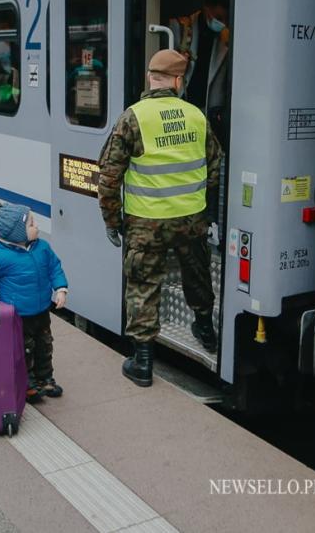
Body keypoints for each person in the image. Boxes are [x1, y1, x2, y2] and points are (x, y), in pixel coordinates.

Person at [97, 49, 223, 388]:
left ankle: (142, 362)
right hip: (190, 220)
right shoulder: (196, 116)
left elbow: (109, 176)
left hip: (145, 224)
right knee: (197, 274)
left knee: (143, 284)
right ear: (179, 81)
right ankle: (205, 330)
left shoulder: (133, 117)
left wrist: (112, 220)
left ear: (150, 79)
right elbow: (215, 166)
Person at [0, 201, 68, 403]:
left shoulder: (42, 247)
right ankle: (28, 383)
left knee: (45, 345)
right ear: (16, 233)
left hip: (42, 310)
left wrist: (61, 288)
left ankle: (45, 378)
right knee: (24, 349)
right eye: (31, 224)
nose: (37, 227)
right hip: (17, 315)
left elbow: (55, 268)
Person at [169, 0, 230, 140]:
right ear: (206, 8)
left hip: (208, 109)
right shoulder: (180, 28)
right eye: (218, 17)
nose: (221, 23)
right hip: (182, 104)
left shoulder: (225, 39)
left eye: (225, 19)